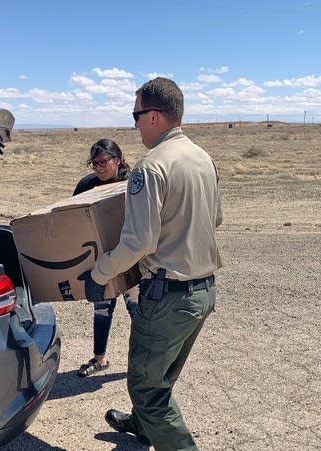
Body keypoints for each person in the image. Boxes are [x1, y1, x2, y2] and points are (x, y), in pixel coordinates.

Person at [79, 77, 222, 450]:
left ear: (154, 116)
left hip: (168, 296)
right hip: (203, 291)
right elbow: (215, 219)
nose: (135, 123)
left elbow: (138, 242)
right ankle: (143, 427)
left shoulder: (150, 166)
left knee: (147, 387)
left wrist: (99, 273)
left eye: (136, 114)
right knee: (163, 375)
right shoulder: (202, 158)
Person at [74, 138, 138, 377]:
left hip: (131, 260)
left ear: (118, 160)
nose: (99, 168)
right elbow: (72, 219)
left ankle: (141, 363)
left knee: (137, 312)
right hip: (100, 262)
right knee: (101, 310)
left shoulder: (132, 184)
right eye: (94, 163)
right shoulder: (86, 185)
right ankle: (99, 359)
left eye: (103, 161)